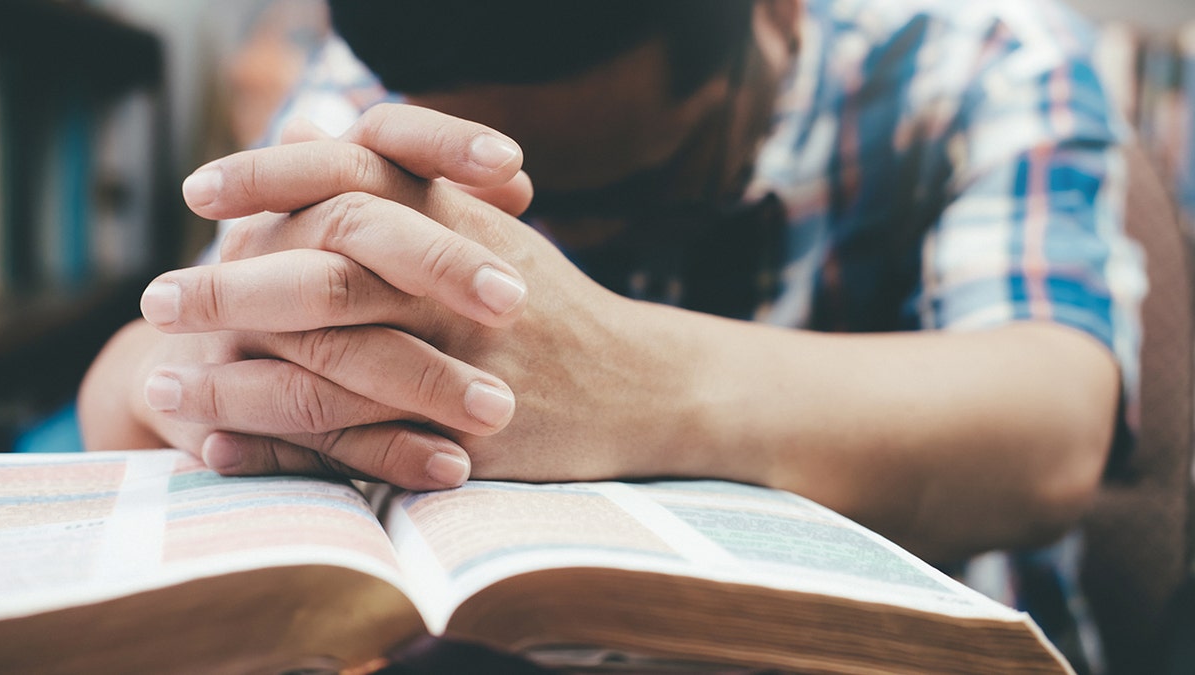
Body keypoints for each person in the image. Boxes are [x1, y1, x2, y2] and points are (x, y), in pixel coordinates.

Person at [79, 0, 1144, 669]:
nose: (559, 232)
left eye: (636, 184)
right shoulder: (379, 88)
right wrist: (205, 364)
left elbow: (1051, 428)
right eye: (508, 194)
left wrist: (620, 375)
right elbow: (125, 387)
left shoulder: (985, 55)